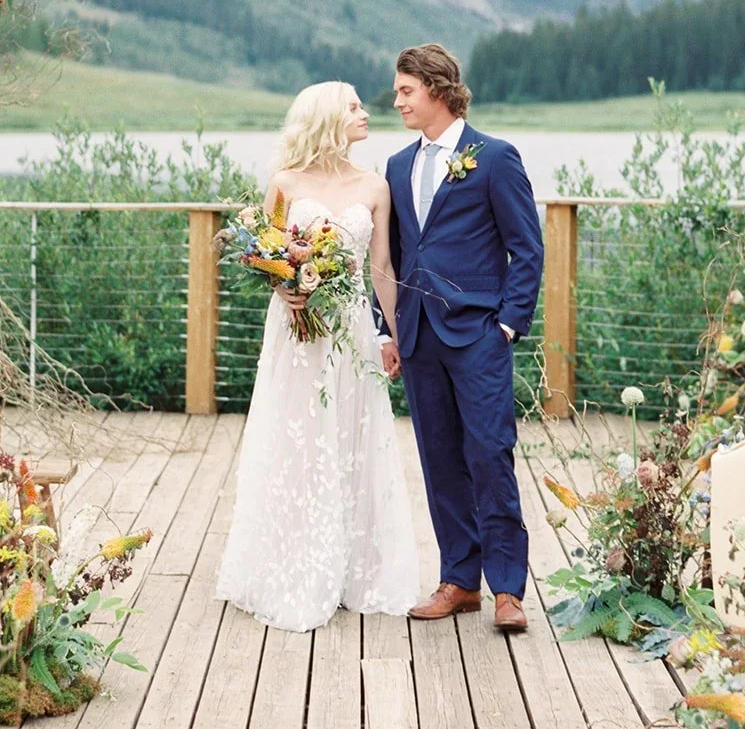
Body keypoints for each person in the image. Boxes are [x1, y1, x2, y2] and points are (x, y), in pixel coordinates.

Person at [216, 81, 419, 631]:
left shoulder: (375, 187)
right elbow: (267, 254)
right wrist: (286, 287)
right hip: (298, 331)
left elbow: (383, 271)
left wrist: (393, 336)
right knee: (298, 438)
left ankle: (356, 567)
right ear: (328, 117)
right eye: (354, 106)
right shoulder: (284, 183)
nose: (366, 112)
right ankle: (291, 564)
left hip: (351, 330)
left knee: (353, 436)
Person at [375, 43, 543, 632]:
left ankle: (507, 590)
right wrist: (386, 329)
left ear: (438, 90)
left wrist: (506, 324)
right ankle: (458, 580)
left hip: (478, 336)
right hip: (418, 336)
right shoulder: (397, 166)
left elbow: (527, 248)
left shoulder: (494, 158)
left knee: (490, 453)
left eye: (405, 91)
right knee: (439, 459)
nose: (396, 101)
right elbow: (392, 256)